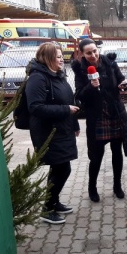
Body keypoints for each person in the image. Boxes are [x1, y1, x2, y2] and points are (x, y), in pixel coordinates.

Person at [72, 38, 127, 203]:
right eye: (88, 53)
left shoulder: (110, 63)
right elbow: (79, 96)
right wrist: (90, 86)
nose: (93, 55)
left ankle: (117, 186)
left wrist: (123, 85)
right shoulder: (81, 70)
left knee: (117, 152)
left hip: (115, 114)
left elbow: (121, 80)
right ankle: (92, 187)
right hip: (97, 117)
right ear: (82, 54)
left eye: (94, 51)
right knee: (96, 156)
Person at [26, 42, 80, 224]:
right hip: (48, 132)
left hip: (62, 129)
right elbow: (35, 107)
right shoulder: (38, 78)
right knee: (62, 168)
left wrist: (74, 125)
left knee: (59, 168)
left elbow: (67, 100)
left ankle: (53, 202)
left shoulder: (57, 75)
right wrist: (66, 110)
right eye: (57, 57)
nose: (61, 59)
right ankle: (47, 208)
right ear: (48, 58)